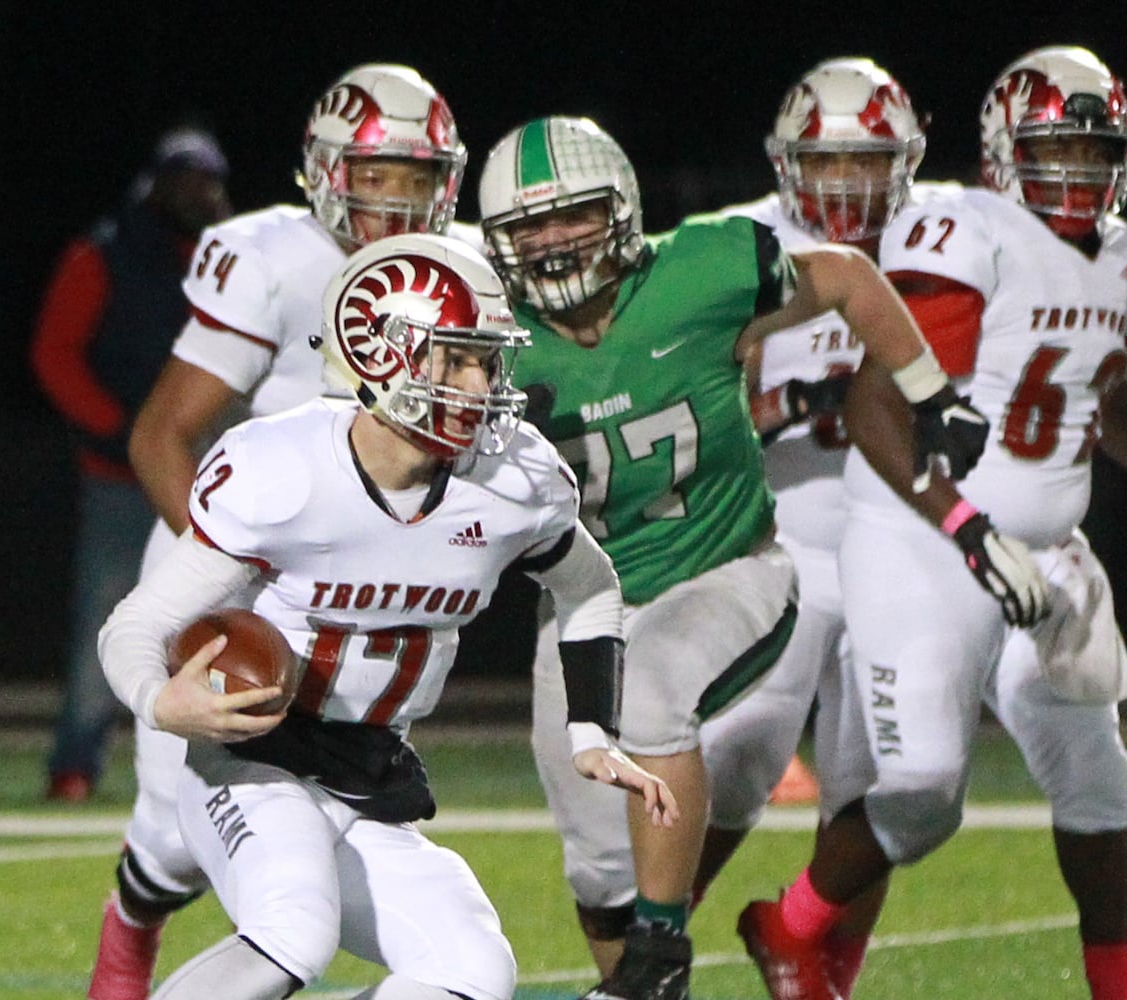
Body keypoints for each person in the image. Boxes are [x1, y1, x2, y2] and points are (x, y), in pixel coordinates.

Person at [476, 114, 988, 1000]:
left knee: (653, 695)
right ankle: (648, 980)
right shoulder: (491, 341)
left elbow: (848, 278)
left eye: (574, 216)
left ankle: (665, 942)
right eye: (529, 227)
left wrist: (928, 389)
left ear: (624, 212)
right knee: (599, 871)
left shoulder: (701, 271)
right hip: (585, 604)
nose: (552, 242)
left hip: (728, 567)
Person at [97, 232, 677, 1000]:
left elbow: (590, 588)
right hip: (253, 764)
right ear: (382, 354)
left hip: (370, 777)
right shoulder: (288, 472)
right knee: (293, 933)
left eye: (489, 359)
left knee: (473, 972)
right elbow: (133, 627)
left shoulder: (513, 480)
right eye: (460, 358)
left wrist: (593, 734)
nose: (484, 382)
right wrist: (158, 698)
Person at [739, 45, 1127, 1000]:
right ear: (1002, 152)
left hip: (1042, 555)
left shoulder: (1120, 253)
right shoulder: (969, 231)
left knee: (1107, 797)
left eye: (1095, 150)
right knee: (922, 794)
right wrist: (965, 524)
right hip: (922, 535)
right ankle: (786, 924)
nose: (1076, 172)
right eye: (1054, 150)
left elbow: (1103, 402)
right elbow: (881, 406)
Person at [87, 64, 474, 1000]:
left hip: (361, 585)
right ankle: (131, 928)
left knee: (330, 812)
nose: (397, 202)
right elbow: (161, 434)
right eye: (375, 177)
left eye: (418, 179)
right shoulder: (269, 259)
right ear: (326, 172)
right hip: (235, 556)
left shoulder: (465, 272)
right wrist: (235, 565)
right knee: (177, 835)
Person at [694, 56, 953, 994]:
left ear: (908, 160)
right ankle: (650, 944)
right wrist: (778, 403)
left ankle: (823, 968)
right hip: (778, 541)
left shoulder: (950, 241)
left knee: (871, 780)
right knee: (741, 750)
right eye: (826, 162)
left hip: (904, 547)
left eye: (868, 162)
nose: (847, 183)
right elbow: (677, 397)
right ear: (785, 161)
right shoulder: (729, 247)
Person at [29, 126, 232, 802]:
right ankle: (75, 764)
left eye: (207, 180)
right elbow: (55, 354)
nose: (198, 193)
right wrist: (119, 433)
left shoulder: (230, 254)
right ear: (156, 184)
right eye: (184, 179)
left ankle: (228, 757)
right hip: (123, 476)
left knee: (229, 609)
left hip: (209, 474)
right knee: (104, 617)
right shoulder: (106, 252)